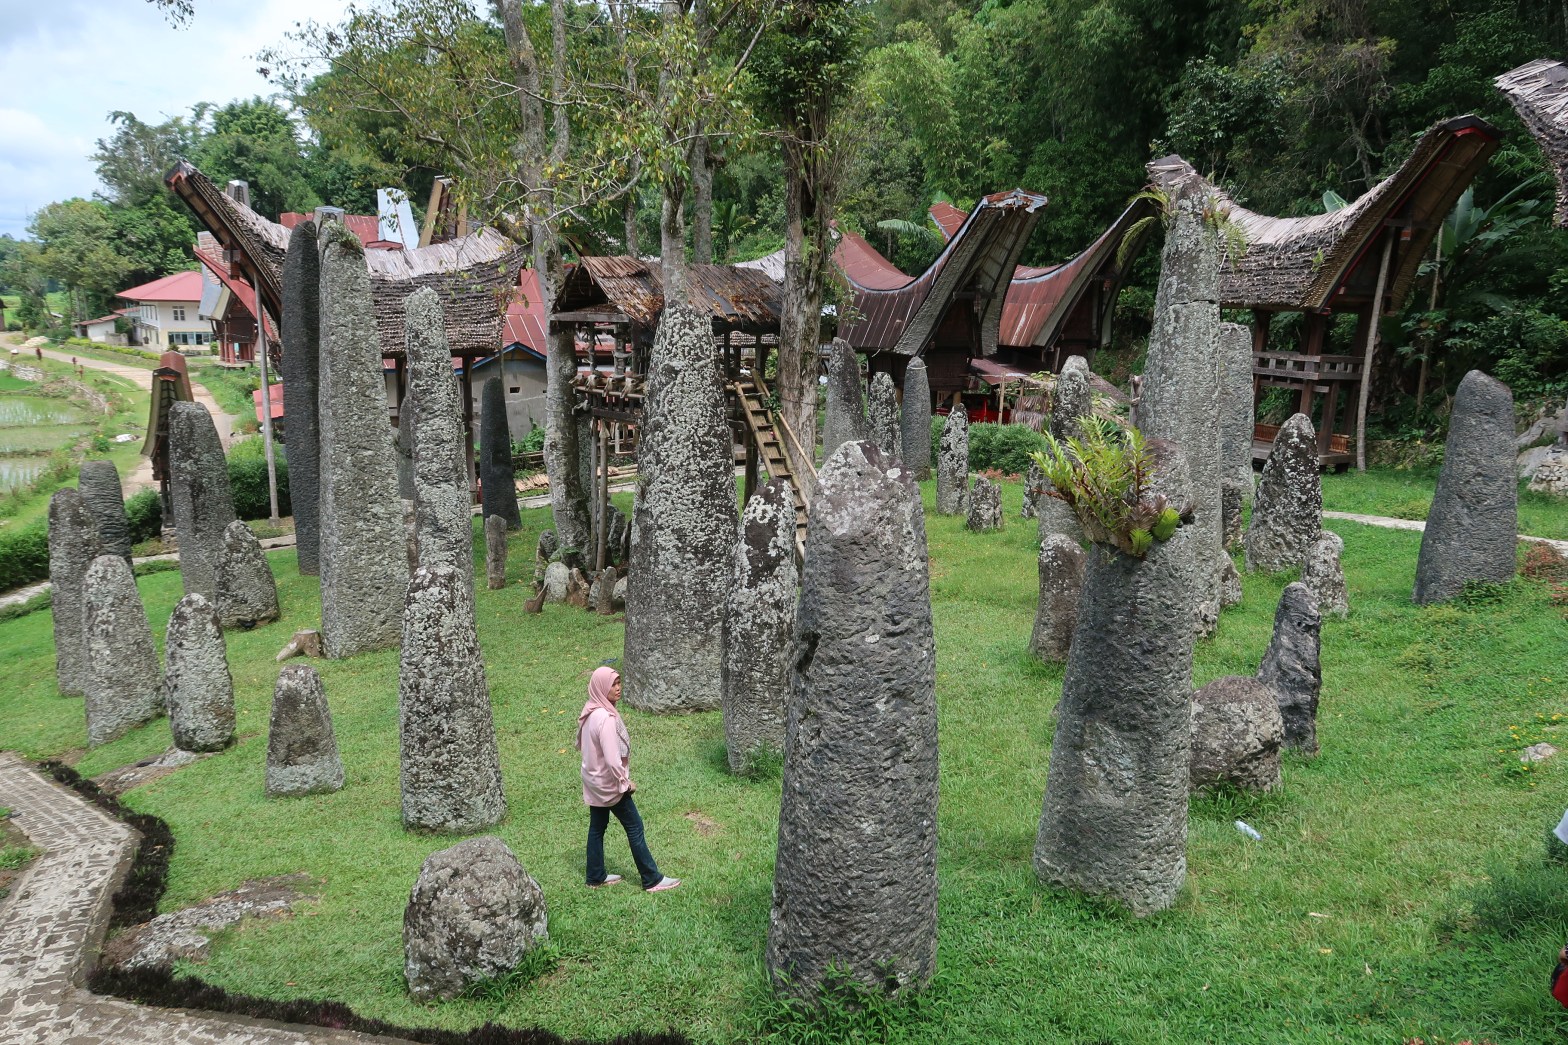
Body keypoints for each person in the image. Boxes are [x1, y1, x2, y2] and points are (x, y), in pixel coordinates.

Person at [577, 666, 680, 892]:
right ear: (601, 688)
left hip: (593, 781)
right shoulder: (605, 718)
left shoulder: (590, 711)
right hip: (609, 784)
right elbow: (613, 760)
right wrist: (624, 783)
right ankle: (651, 879)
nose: (618, 688)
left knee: (597, 827)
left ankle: (595, 876)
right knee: (635, 827)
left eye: (618, 682)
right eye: (612, 684)